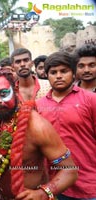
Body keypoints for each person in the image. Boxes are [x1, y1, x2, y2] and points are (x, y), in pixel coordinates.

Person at [0, 67, 78, 199]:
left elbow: (70, 170)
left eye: (3, 93)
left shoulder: (36, 126)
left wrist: (43, 193)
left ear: (16, 90)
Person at [36, 51, 96, 200]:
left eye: (64, 71)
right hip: (55, 185)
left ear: (74, 73)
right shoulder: (38, 106)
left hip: (89, 183)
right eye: (53, 72)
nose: (58, 76)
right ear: (47, 75)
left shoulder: (90, 100)